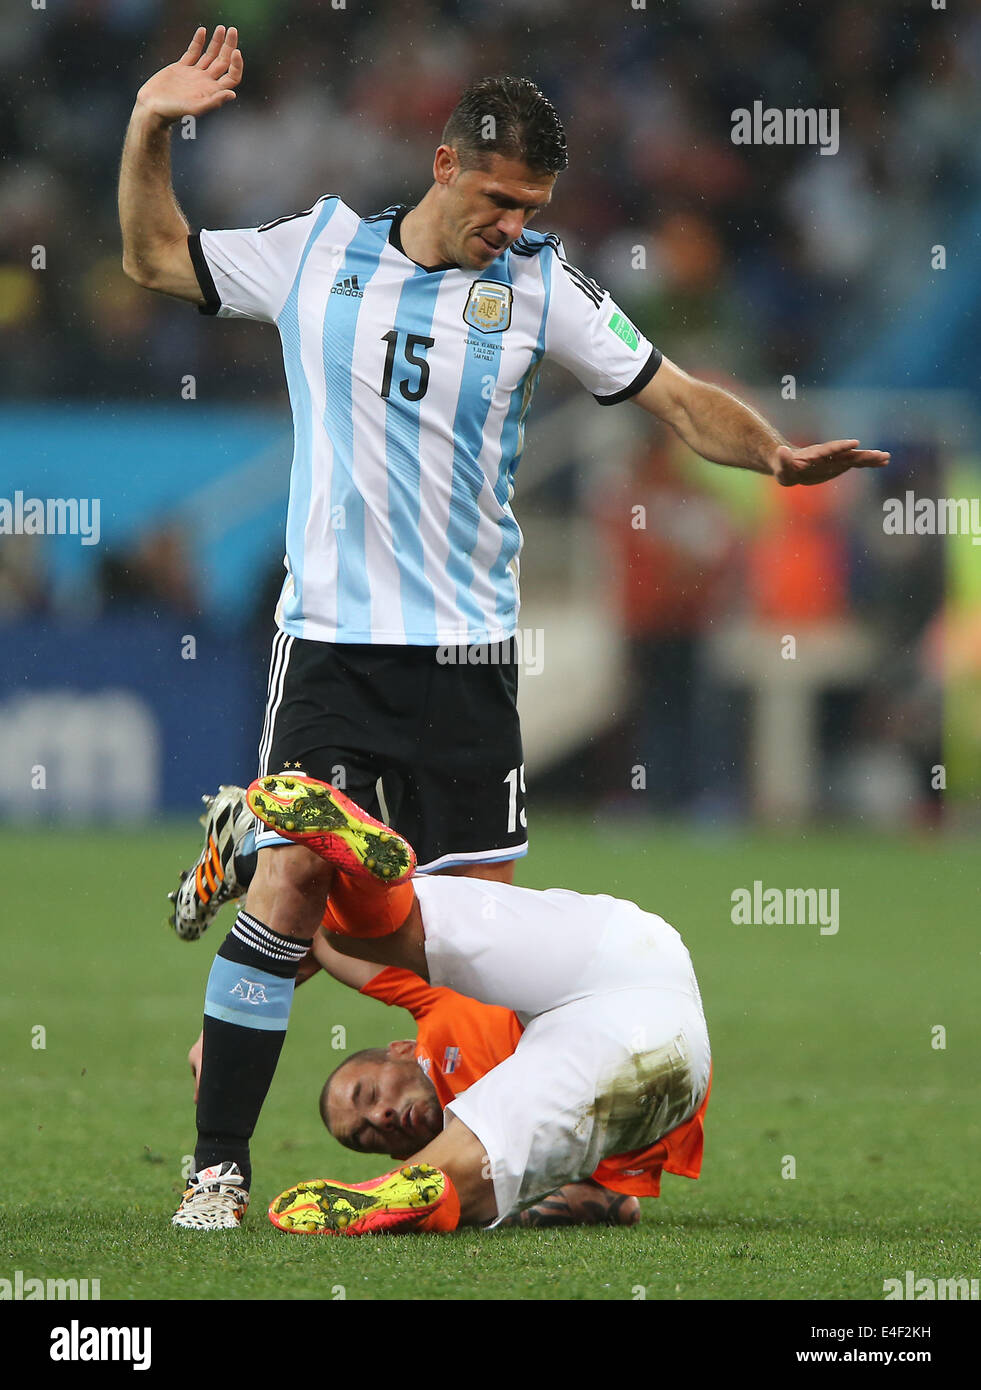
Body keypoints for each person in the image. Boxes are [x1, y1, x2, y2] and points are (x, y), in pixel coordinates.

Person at [120, 25, 888, 1223]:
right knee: (293, 885)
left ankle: (543, 1165)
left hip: (474, 667)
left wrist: (776, 454)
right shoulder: (316, 253)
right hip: (334, 644)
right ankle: (217, 1168)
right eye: (498, 200)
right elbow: (156, 256)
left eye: (533, 206)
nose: (513, 226)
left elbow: (675, 395)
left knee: (454, 964)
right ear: (441, 164)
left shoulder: (538, 287)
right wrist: (152, 126)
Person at [241, 771, 711, 1234]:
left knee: (361, 934)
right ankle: (407, 1191)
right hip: (653, 1053)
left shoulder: (432, 1010)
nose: (380, 1115)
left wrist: (253, 867)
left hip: (618, 954)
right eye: (365, 1135)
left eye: (370, 1093)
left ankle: (368, 877)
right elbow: (611, 1202)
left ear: (402, 1048)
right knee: (492, 1132)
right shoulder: (468, 1118)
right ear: (398, 1151)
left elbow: (324, 941)